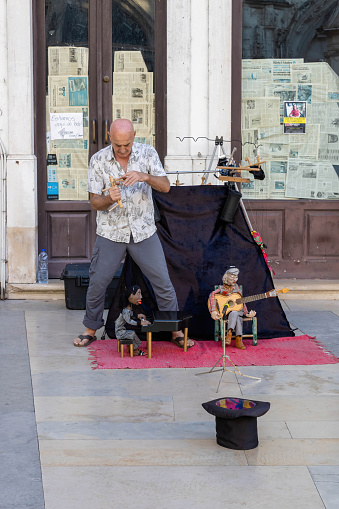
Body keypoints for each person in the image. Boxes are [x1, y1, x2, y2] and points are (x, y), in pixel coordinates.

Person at [74, 118, 195, 349]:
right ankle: (90, 329)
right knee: (98, 281)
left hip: (143, 232)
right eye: (118, 145)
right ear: (110, 137)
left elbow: (166, 186)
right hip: (111, 232)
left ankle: (174, 331)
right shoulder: (98, 160)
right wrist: (109, 198)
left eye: (127, 144)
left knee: (162, 282)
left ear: (134, 136)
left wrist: (144, 176)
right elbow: (94, 202)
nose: (122, 149)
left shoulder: (147, 153)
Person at [208, 267, 256, 350]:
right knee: (234, 313)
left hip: (239, 311)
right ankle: (238, 339)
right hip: (230, 313)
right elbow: (212, 295)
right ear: (226, 277)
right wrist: (213, 310)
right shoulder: (221, 288)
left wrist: (247, 313)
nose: (235, 279)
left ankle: (228, 334)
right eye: (232, 276)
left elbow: (242, 301)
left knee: (236, 312)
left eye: (236, 277)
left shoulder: (236, 287)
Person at [115, 285, 150, 356]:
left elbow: (131, 314)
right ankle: (135, 350)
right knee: (132, 333)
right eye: (138, 293)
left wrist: (138, 315)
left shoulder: (128, 308)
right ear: (131, 296)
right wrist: (140, 322)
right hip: (120, 332)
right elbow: (129, 321)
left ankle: (135, 349)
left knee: (132, 333)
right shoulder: (125, 310)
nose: (141, 297)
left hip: (122, 330)